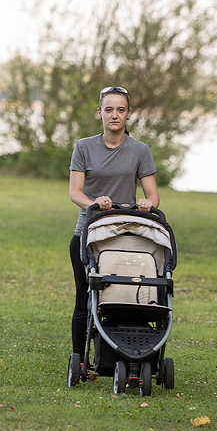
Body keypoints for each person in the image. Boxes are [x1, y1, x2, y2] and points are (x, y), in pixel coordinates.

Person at [68, 85, 159, 369]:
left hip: (125, 236)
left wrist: (147, 204)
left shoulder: (140, 151)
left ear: (129, 114)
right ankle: (79, 359)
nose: (114, 115)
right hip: (89, 234)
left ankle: (128, 353)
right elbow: (75, 192)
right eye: (109, 110)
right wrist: (95, 203)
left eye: (121, 110)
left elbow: (153, 195)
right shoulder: (84, 147)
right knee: (85, 296)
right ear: (100, 113)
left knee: (127, 294)